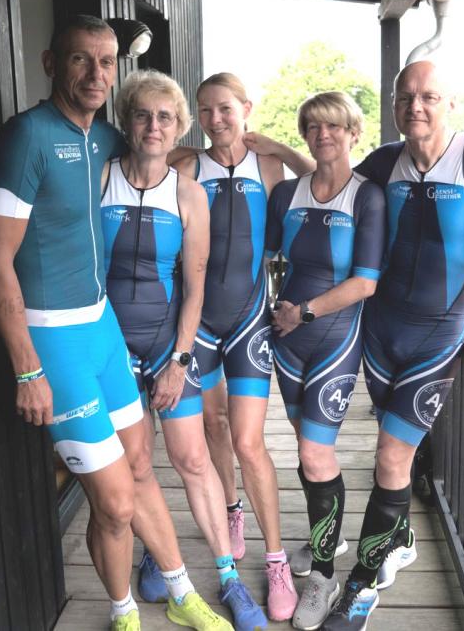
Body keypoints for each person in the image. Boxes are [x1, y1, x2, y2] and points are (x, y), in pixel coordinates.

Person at [321, 59, 464, 631]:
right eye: (405, 97)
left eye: (429, 96)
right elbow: (329, 182)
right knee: (394, 457)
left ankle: (360, 587)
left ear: (450, 103)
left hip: (438, 339)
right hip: (380, 334)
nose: (416, 106)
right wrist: (274, 148)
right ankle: (399, 538)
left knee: (390, 457)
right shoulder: (385, 161)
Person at [0, 15, 145, 631]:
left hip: (102, 326)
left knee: (138, 463)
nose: (96, 74)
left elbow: (158, 155)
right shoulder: (27, 136)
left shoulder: (104, 137)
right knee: (117, 502)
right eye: (81, 59)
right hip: (52, 337)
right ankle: (123, 612)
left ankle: (170, 580)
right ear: (51, 64)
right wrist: (27, 370)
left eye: (107, 62)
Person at [103, 68, 266, 631]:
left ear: (179, 128)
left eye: (165, 118)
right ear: (127, 122)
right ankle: (157, 555)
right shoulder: (100, 180)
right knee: (135, 463)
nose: (154, 126)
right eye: (143, 115)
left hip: (168, 346)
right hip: (109, 348)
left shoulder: (188, 192)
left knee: (193, 459)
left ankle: (228, 578)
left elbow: (194, 286)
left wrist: (178, 361)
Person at [172, 72, 312, 622]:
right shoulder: (188, 166)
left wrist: (277, 145)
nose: (216, 120)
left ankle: (275, 561)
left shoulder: (267, 165)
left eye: (225, 109)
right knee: (213, 426)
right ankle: (231, 508)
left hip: (250, 321)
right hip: (200, 324)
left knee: (249, 442)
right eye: (205, 111)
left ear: (246, 108)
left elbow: (321, 175)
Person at [265, 91, 386, 630]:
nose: (323, 135)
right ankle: (325, 540)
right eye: (313, 126)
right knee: (308, 452)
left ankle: (322, 575)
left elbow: (366, 282)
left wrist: (304, 312)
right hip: (287, 341)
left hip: (333, 338)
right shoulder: (286, 194)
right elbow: (269, 258)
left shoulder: (367, 197)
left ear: (353, 133)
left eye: (334, 126)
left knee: (316, 455)